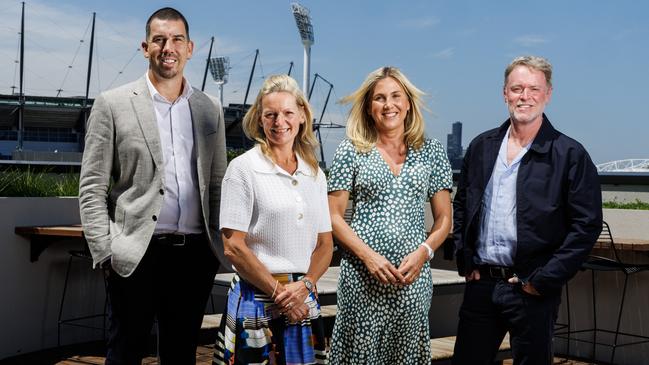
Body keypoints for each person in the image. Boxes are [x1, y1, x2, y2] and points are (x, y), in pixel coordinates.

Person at [79, 7, 227, 364]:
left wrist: (218, 248)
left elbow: (217, 183)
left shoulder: (211, 108)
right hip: (136, 254)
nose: (168, 47)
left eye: (176, 39)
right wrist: (106, 251)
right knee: (126, 352)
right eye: (159, 40)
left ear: (190, 48)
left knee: (181, 355)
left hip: (195, 255)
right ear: (145, 47)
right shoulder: (112, 104)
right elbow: (92, 187)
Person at [451, 55, 603, 365]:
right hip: (481, 284)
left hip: (531, 289)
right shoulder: (482, 147)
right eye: (517, 88)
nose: (525, 96)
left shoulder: (569, 154)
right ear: (504, 93)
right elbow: (463, 203)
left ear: (548, 94)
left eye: (534, 89)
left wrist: (543, 280)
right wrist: (463, 257)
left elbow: (586, 226)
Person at [327, 66, 453, 364]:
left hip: (412, 282)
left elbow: (444, 219)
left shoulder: (432, 151)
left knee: (406, 356)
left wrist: (424, 252)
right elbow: (333, 216)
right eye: (379, 98)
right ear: (369, 108)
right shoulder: (351, 150)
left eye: (396, 96)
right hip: (362, 280)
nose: (388, 104)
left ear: (408, 102)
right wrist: (369, 257)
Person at [212, 74, 333, 365]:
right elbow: (233, 247)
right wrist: (280, 293)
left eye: (288, 112)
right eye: (271, 114)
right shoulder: (243, 169)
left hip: (303, 297)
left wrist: (304, 286)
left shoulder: (314, 174)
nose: (280, 122)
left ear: (302, 115)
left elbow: (324, 244)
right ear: (260, 120)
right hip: (257, 298)